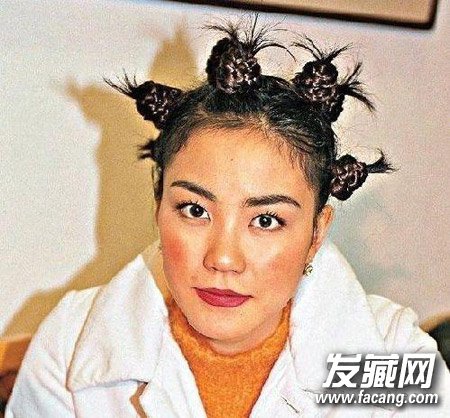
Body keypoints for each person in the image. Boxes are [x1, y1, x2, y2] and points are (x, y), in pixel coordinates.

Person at [6, 19, 449, 417]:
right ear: (159, 207)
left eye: (266, 220)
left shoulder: (395, 357)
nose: (223, 258)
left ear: (316, 234)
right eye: (195, 210)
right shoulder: (70, 343)